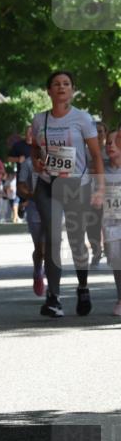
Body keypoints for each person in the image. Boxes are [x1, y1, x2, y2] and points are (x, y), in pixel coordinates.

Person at [30, 70, 105, 318]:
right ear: (48, 91)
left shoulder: (83, 119)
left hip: (76, 186)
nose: (61, 87)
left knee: (76, 239)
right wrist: (38, 163)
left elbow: (95, 156)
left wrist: (100, 187)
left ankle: (83, 287)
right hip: (47, 185)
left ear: (72, 90)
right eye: (56, 84)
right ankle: (54, 297)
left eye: (66, 84)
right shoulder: (39, 119)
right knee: (52, 237)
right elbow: (34, 150)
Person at [17, 154, 46, 296]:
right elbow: (20, 187)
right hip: (34, 207)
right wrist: (31, 195)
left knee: (50, 246)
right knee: (40, 248)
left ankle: (53, 289)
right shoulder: (28, 163)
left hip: (53, 206)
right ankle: (38, 272)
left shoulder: (59, 158)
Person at [102, 129, 121, 316]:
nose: (110, 145)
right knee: (116, 260)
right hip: (110, 223)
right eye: (108, 142)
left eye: (115, 142)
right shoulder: (100, 169)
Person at [88, 120, 109, 266]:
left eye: (101, 131)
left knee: (108, 224)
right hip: (90, 193)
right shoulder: (86, 151)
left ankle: (110, 250)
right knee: (92, 226)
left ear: (105, 133)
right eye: (95, 132)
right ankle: (96, 251)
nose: (98, 134)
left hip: (110, 194)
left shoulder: (111, 149)